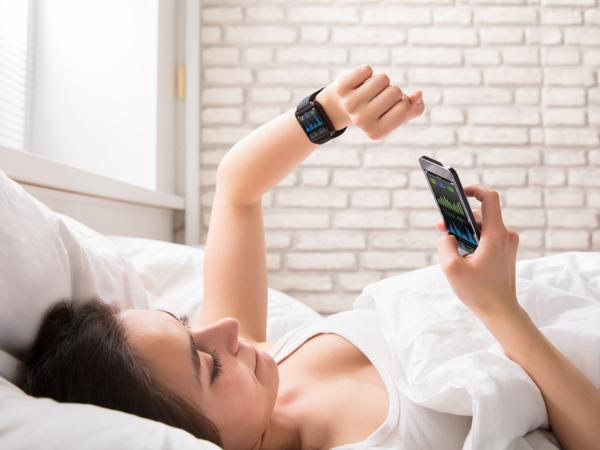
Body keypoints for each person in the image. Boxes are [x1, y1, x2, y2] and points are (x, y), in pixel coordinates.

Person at [20, 65, 600, 450]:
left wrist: (332, 109)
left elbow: (237, 187)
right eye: (208, 367)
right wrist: (498, 308)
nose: (222, 330)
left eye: (185, 325)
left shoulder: (260, 361)